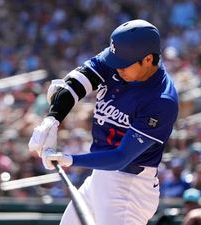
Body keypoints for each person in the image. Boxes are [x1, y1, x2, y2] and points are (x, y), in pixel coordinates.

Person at [28, 19, 179, 225]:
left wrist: (71, 159)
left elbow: (121, 158)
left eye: (123, 64)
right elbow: (73, 85)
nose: (116, 68)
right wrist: (53, 119)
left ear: (148, 59)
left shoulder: (161, 99)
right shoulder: (119, 58)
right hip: (100, 177)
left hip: (129, 188)